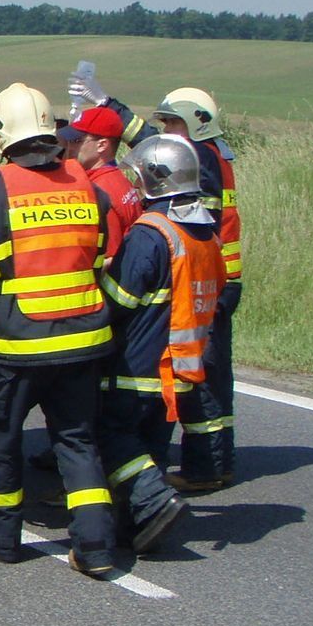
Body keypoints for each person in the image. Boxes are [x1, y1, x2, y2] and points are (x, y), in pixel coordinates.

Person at [0, 82, 119, 577]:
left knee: (0, 438)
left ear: (0, 132)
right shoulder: (87, 186)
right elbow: (101, 257)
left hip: (20, 341)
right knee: (77, 439)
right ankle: (95, 547)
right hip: (85, 339)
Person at [72, 71, 239, 490]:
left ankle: (206, 467)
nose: (165, 130)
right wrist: (108, 104)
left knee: (199, 376)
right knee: (195, 372)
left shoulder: (197, 163)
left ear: (196, 123)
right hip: (207, 278)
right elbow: (156, 151)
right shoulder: (202, 159)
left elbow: (158, 157)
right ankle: (199, 466)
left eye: (172, 122)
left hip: (203, 284)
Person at [96, 134, 225, 556]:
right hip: (180, 367)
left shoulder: (151, 233)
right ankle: (140, 528)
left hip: (139, 365)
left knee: (111, 437)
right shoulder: (203, 232)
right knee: (149, 448)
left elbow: (120, 300)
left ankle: (154, 500)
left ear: (156, 178)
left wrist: (97, 279)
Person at [57, 104, 142, 258]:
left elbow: (109, 257)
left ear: (102, 145)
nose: (69, 147)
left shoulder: (98, 192)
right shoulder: (118, 179)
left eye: (76, 140)